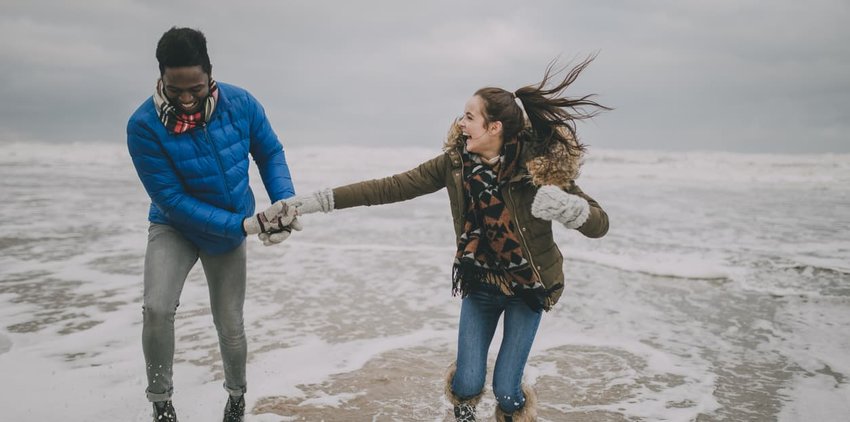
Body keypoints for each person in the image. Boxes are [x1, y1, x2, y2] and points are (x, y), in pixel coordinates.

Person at [276, 57, 610, 421]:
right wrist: (311, 202)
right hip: (481, 284)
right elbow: (391, 187)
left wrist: (568, 208)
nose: (460, 123)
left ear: (494, 126)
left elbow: (599, 224)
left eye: (469, 116)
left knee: (506, 391)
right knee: (466, 384)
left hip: (529, 289)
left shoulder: (537, 168)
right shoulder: (455, 164)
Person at [127, 27, 299, 422]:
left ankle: (236, 399)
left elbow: (270, 152)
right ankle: (161, 404)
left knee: (229, 322)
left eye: (196, 89)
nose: (186, 100)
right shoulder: (142, 126)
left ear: (209, 75)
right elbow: (171, 200)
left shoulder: (241, 104)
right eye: (175, 90)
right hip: (175, 227)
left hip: (232, 228)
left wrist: (283, 202)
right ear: (161, 78)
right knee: (156, 308)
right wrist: (244, 226)